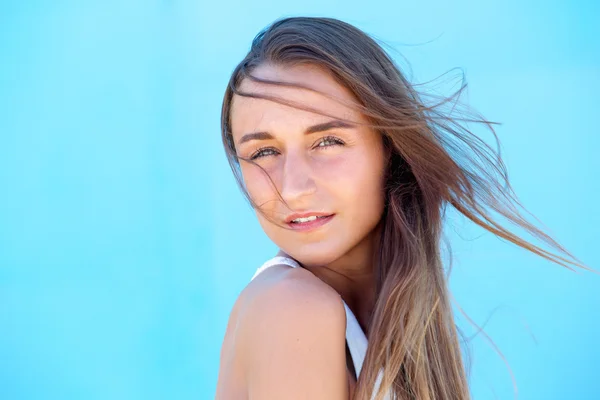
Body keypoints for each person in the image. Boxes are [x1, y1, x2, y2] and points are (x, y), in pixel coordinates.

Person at [214, 16, 590, 400]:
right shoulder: (293, 308)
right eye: (263, 152)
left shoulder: (395, 319)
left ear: (388, 146)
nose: (292, 188)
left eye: (327, 141)